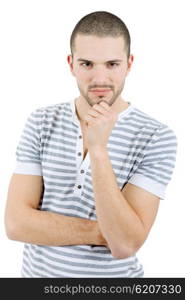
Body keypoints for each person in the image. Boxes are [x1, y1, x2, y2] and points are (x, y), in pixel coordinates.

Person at [5, 11, 177, 278]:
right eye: (87, 64)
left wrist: (98, 151)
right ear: (71, 64)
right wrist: (103, 232)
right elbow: (15, 224)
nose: (99, 79)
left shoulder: (156, 136)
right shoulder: (41, 121)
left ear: (129, 64)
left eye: (112, 64)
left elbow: (124, 245)